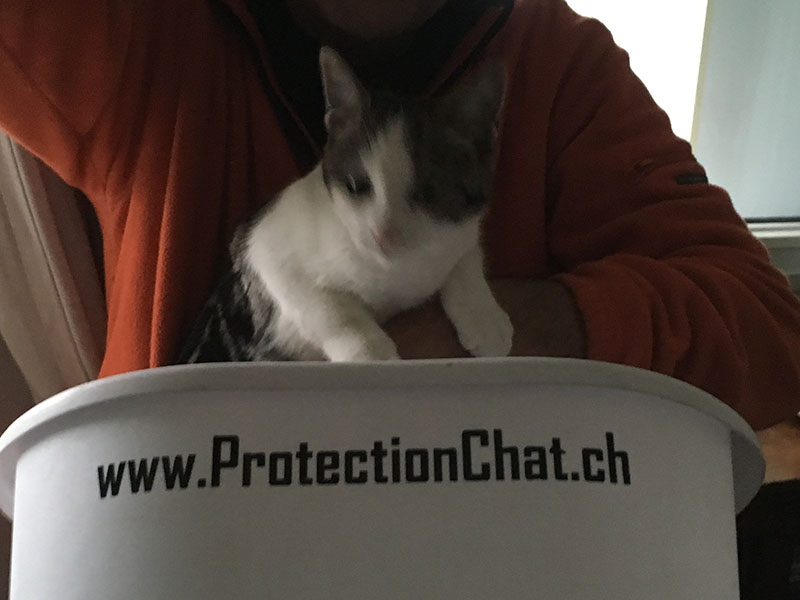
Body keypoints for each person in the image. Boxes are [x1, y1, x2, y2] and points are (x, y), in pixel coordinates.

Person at [1, 0, 799, 592]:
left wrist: (502, 325)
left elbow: (768, 328)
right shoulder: (148, 28)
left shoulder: (559, 66)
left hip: (476, 557)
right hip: (187, 548)